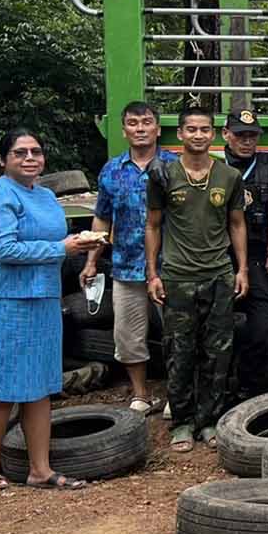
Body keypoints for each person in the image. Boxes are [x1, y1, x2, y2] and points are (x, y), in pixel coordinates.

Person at [0, 130, 99, 490]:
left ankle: (40, 470)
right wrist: (61, 248)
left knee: (41, 386)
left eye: (36, 152)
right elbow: (4, 249)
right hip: (7, 302)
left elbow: (56, 242)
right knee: (1, 389)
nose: (30, 158)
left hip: (43, 300)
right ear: (3, 161)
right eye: (20, 152)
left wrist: (79, 244)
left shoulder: (44, 195)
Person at [146, 108, 249, 452]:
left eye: (205, 129)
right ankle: (182, 423)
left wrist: (242, 269)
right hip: (177, 277)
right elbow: (153, 225)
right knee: (179, 352)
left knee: (217, 353)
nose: (198, 135)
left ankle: (209, 421)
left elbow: (237, 223)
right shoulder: (164, 175)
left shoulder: (229, 176)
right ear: (180, 134)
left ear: (214, 135)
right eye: (191, 129)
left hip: (218, 274)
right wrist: (153, 273)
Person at [81, 100, 177, 416]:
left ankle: (177, 396)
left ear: (158, 129)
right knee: (128, 336)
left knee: (177, 334)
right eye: (133, 123)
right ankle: (141, 395)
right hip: (126, 266)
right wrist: (91, 261)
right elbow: (102, 218)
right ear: (124, 131)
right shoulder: (111, 171)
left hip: (170, 266)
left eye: (146, 122)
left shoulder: (174, 167)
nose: (140, 129)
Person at [221, 109, 268, 396]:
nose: (246, 141)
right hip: (219, 256)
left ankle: (250, 387)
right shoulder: (212, 167)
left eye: (252, 136)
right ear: (226, 135)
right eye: (240, 135)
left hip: (257, 254)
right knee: (214, 324)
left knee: (264, 321)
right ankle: (216, 386)